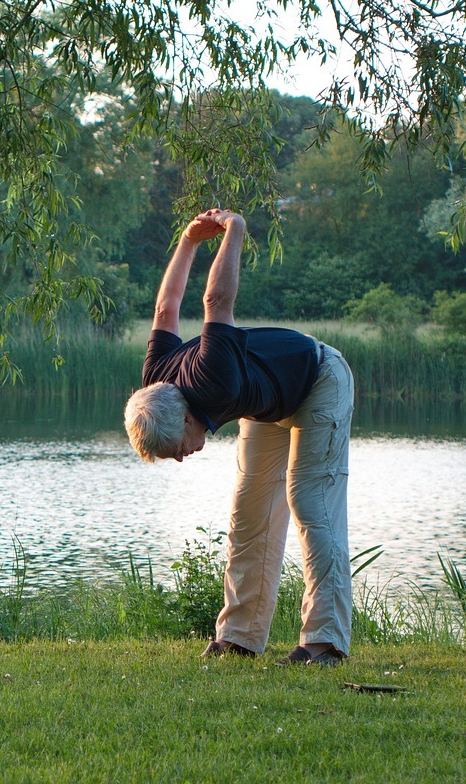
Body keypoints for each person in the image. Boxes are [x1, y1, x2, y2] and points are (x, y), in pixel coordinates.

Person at [124, 208, 355, 666]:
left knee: (309, 501)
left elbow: (216, 302)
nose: (183, 459)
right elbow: (165, 308)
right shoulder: (156, 379)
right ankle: (239, 637)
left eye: (176, 451)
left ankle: (325, 642)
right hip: (267, 401)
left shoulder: (213, 379)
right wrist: (188, 241)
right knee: (249, 514)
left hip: (319, 380)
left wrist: (235, 231)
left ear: (187, 419)